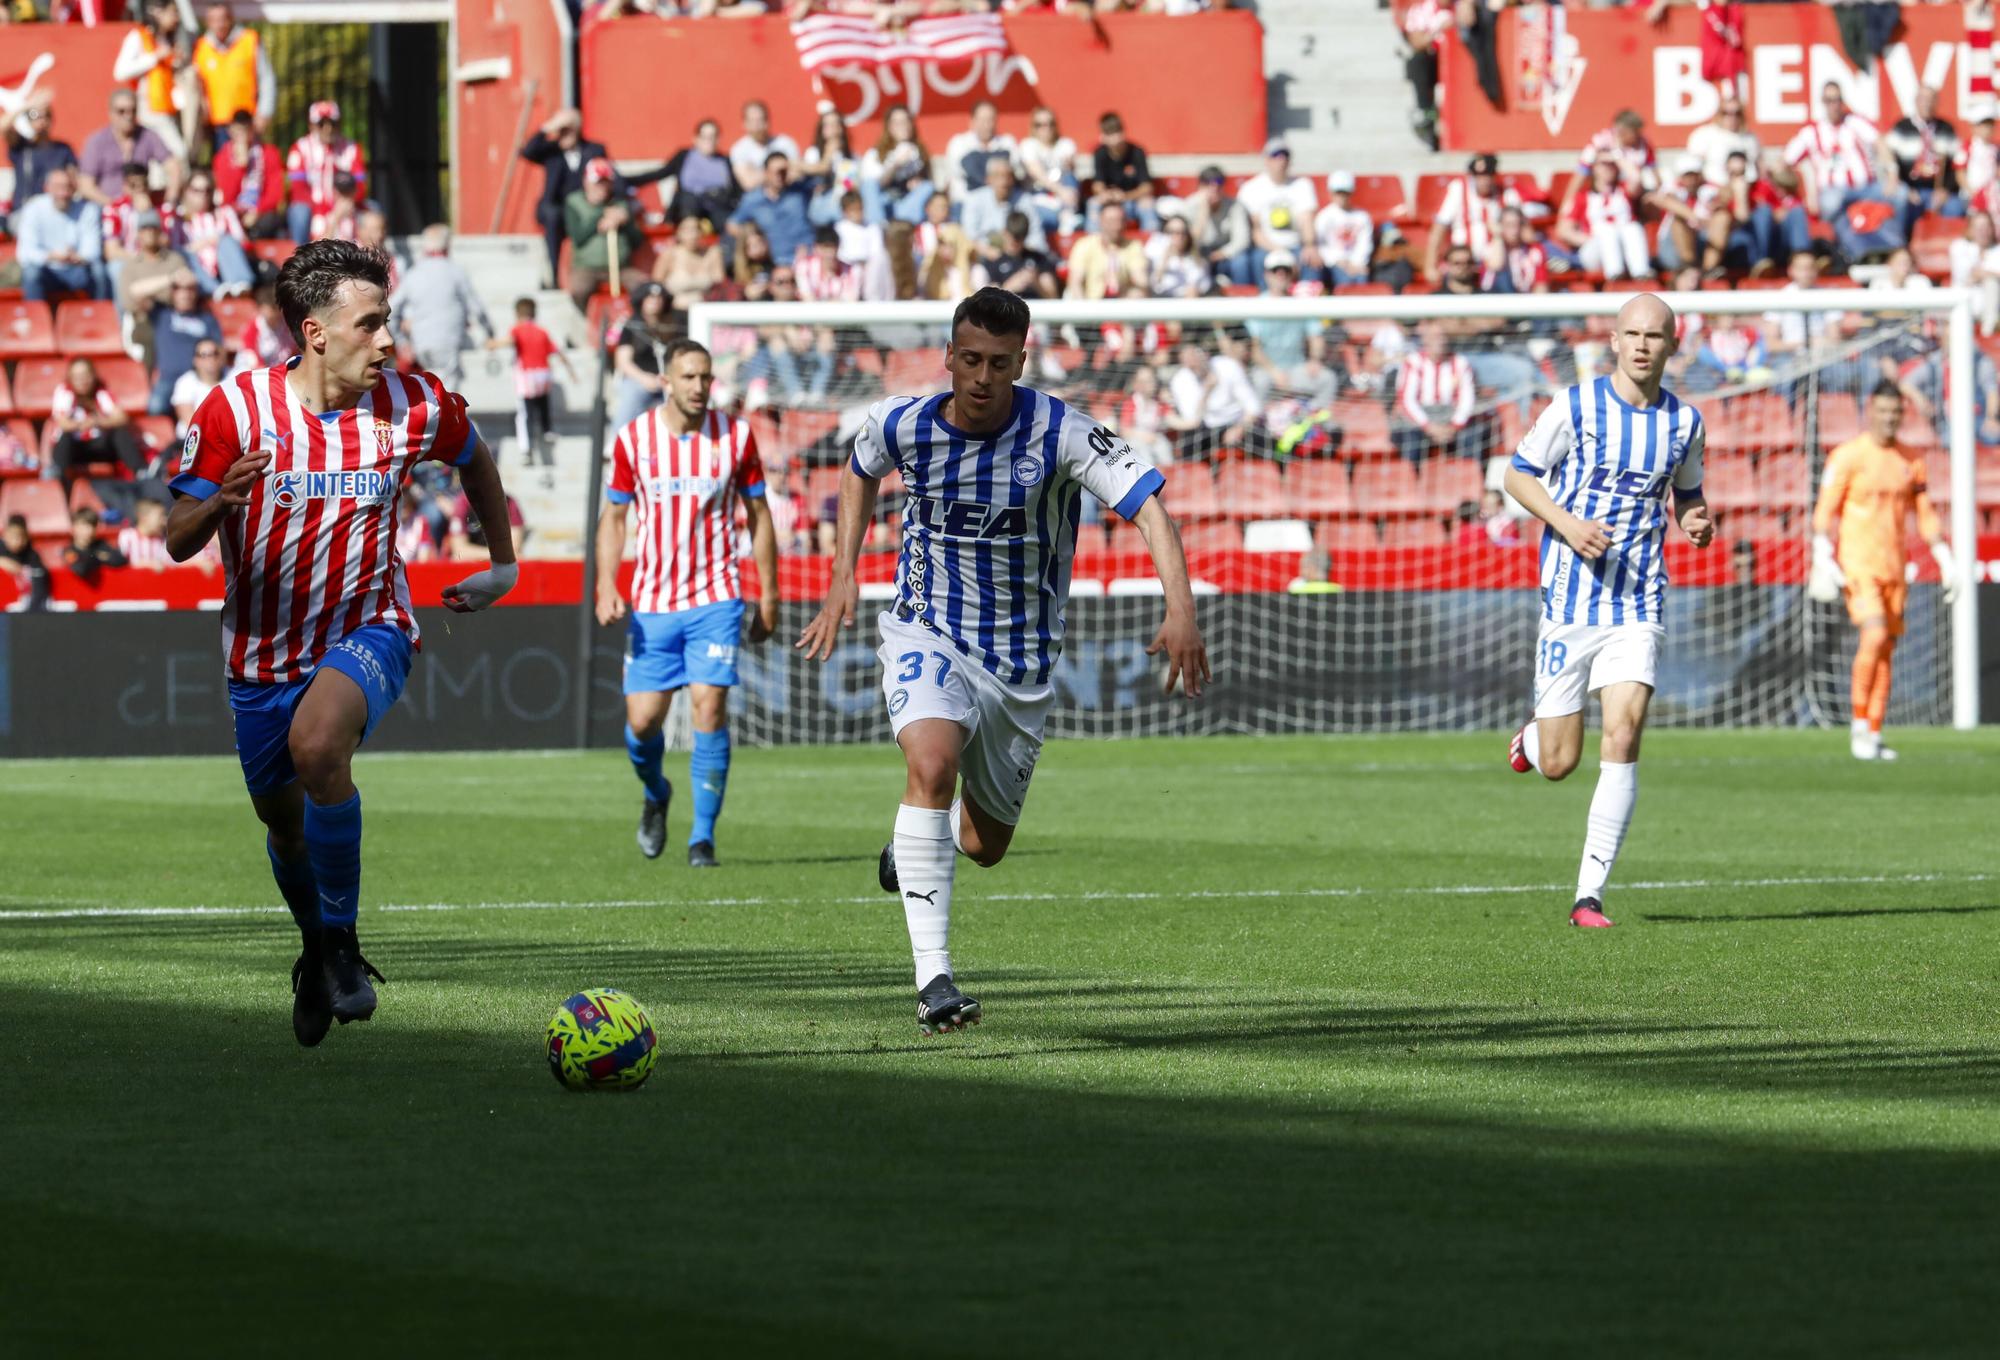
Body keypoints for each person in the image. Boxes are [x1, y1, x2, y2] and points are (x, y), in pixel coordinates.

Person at [796, 287, 1207, 1034]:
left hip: (1020, 665)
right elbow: (859, 470)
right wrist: (843, 573)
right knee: (930, 764)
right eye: (971, 360)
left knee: (984, 847)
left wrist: (1180, 607)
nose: (983, 377)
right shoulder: (902, 424)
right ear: (949, 356)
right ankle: (935, 981)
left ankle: (912, 844)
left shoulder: (1061, 432)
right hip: (926, 631)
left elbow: (1148, 505)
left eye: (1000, 363)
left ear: (1022, 361)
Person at [164, 239, 519, 1047]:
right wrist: (221, 499)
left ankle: (346, 947)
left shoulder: (412, 404)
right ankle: (316, 949)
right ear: (316, 333)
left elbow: (477, 460)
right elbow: (179, 535)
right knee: (283, 825)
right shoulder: (234, 411)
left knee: (320, 746)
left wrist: (501, 565)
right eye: (371, 324)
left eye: (388, 320)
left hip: (370, 625)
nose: (388, 339)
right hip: (260, 655)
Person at [1504, 294, 1714, 928]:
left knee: (1624, 732)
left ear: (1672, 346)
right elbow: (1517, 476)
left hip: (1639, 597)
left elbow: (1689, 495)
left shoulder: (1685, 424)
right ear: (1615, 342)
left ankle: (1587, 895)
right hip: (1570, 597)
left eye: (1656, 335)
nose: (1644, 344)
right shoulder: (1576, 405)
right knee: (1561, 762)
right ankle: (1532, 740)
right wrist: (1567, 524)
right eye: (1633, 333)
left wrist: (1696, 522)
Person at [595, 339, 778, 868]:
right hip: (653, 601)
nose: (699, 387)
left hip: (717, 595)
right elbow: (614, 518)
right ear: (667, 382)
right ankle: (656, 792)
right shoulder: (635, 439)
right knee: (643, 723)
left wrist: (769, 593)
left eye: (706, 377)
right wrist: (608, 583)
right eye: (689, 377)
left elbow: (759, 516)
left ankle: (703, 839)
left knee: (709, 706)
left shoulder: (736, 438)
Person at [1808, 381, 1958, 762]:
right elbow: (1824, 513)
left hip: (1895, 568)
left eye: (1896, 413)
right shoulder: (1847, 457)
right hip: (1859, 565)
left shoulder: (1911, 460)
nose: (1889, 419)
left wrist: (1944, 556)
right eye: (1883, 411)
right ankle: (1859, 724)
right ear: (1870, 410)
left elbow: (1924, 515)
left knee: (1887, 649)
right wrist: (1823, 555)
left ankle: (1874, 730)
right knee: (1873, 636)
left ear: (1902, 414)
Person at [388, 224, 493, 388]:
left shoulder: (414, 273)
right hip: (447, 341)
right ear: (447, 245)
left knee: (428, 388)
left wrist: (401, 343)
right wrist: (489, 331)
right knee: (447, 392)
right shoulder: (455, 271)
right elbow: (476, 307)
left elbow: (391, 309)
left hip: (420, 342)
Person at [487, 297, 575, 479]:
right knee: (542, 403)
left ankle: (525, 449)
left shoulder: (518, 329)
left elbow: (510, 340)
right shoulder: (542, 331)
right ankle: (546, 430)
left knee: (524, 412)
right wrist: (571, 371)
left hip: (527, 375)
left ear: (517, 314)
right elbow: (557, 352)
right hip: (543, 374)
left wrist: (493, 344)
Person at [520, 108, 611, 281]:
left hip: (584, 207)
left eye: (568, 130)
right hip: (557, 208)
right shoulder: (551, 151)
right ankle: (553, 275)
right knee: (552, 216)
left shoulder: (594, 150)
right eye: (561, 130)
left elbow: (609, 176)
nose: (564, 134)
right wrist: (550, 126)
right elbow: (528, 152)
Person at [114, 0, 200, 160]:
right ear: (158, 12)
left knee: (160, 162)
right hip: (150, 108)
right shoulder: (138, 36)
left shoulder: (166, 40)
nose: (176, 18)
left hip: (168, 108)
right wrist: (154, 58)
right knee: (178, 154)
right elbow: (120, 72)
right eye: (172, 12)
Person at [1392, 320, 1478, 466]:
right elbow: (1407, 401)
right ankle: (1412, 479)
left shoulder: (1460, 362)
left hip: (1448, 414)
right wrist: (1429, 426)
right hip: (1421, 416)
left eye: (1443, 336)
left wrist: (1454, 425)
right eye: (1435, 336)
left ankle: (1470, 479)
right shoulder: (1413, 362)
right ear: (1425, 338)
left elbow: (1467, 401)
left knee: (1474, 433)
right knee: (1408, 436)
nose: (1440, 341)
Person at [565, 158, 647, 309]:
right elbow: (577, 237)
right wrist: (600, 216)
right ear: (586, 181)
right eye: (597, 182)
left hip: (620, 267)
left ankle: (633, 322)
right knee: (578, 289)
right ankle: (590, 320)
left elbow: (638, 241)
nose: (602, 187)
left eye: (605, 182)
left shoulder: (621, 204)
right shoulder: (574, 202)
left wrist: (625, 223)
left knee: (644, 287)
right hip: (587, 268)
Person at [191, 1, 274, 149]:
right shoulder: (201, 47)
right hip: (216, 125)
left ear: (231, 18)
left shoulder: (249, 40)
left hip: (247, 121)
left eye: (223, 19)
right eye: (214, 20)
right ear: (208, 22)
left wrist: (265, 112)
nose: (219, 24)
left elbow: (266, 78)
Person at [1555, 154, 1651, 281]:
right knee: (1607, 230)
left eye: (1612, 164)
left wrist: (1617, 156)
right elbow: (1563, 230)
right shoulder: (1582, 197)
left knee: (1633, 227)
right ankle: (1615, 275)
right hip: (1595, 249)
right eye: (1603, 164)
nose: (1608, 168)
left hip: (1624, 245)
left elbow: (1636, 179)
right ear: (1594, 168)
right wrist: (1591, 239)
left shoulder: (1624, 191)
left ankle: (1641, 273)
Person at [1883, 83, 1960, 239]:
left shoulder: (1947, 129)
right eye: (1923, 99)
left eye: (1931, 99)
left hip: (1937, 190)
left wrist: (1946, 190)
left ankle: (1945, 251)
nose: (1927, 103)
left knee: (1956, 207)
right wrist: (1904, 188)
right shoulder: (1901, 127)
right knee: (1901, 204)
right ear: (1916, 101)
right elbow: (1886, 157)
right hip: (1911, 190)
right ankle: (1900, 249)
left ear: (1937, 102)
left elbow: (1957, 165)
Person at [17, 168, 107, 301]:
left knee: (99, 271)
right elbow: (25, 252)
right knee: (31, 273)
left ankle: (101, 317)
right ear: (47, 188)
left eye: (68, 187)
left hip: (77, 270)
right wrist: (51, 256)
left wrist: (78, 257)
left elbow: (92, 250)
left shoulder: (88, 209)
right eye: (58, 187)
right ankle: (35, 319)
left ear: (74, 189)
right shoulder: (33, 208)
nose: (63, 193)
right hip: (47, 271)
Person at [1236, 140, 1319, 283]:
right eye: (1276, 155)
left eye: (1285, 155)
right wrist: (1279, 251)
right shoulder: (1252, 188)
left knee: (1312, 260)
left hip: (1296, 245)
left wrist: (1310, 245)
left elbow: (1307, 221)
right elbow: (1256, 230)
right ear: (1266, 160)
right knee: (1257, 260)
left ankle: (1307, 300)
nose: (1281, 160)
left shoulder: (1302, 185)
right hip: (1266, 247)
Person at [51, 357, 144, 484]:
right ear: (70, 378)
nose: (82, 381)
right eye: (77, 377)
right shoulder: (64, 393)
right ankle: (58, 479)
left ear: (93, 376)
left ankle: (142, 473)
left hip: (100, 445)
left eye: (85, 375)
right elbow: (63, 423)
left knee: (120, 432)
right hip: (76, 447)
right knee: (65, 438)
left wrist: (97, 421)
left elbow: (122, 418)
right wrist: (80, 425)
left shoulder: (101, 393)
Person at [1428, 153, 1519, 282]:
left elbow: (1520, 230)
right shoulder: (1458, 189)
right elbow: (1439, 228)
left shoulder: (1507, 194)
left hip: (1496, 264)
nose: (1484, 180)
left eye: (1488, 175)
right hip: (1462, 262)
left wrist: (1501, 234)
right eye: (1479, 176)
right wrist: (1430, 265)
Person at [78, 89, 179, 206]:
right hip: (106, 210)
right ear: (110, 113)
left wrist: (170, 202)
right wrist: (115, 206)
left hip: (140, 210)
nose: (128, 116)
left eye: (133, 111)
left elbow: (173, 167)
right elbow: (86, 186)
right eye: (121, 111)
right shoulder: (97, 142)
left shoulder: (147, 136)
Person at [286, 101, 367, 245]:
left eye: (333, 123)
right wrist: (324, 211)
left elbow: (360, 186)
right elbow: (297, 191)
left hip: (346, 205)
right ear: (311, 126)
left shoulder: (352, 149)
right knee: (299, 212)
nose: (328, 129)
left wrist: (345, 203)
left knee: (374, 215)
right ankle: (299, 257)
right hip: (313, 209)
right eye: (321, 124)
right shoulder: (300, 148)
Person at [147, 270, 224, 414]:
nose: (185, 293)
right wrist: (170, 278)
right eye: (179, 288)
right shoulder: (162, 314)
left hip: (197, 379)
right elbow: (136, 293)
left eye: (190, 289)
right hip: (168, 378)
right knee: (155, 408)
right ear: (172, 292)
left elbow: (219, 348)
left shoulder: (207, 319)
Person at [172, 170, 257, 297]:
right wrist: (207, 242)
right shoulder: (178, 219)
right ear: (186, 191)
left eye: (207, 190)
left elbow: (242, 243)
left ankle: (240, 285)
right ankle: (214, 289)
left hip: (227, 269)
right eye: (197, 190)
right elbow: (175, 252)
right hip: (199, 274)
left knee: (226, 241)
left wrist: (218, 239)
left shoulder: (224, 213)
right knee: (183, 254)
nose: (203, 195)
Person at [729, 151, 815, 268]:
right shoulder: (753, 199)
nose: (780, 176)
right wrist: (752, 239)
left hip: (807, 258)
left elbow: (825, 177)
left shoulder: (800, 192)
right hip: (773, 263)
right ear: (765, 172)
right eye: (775, 172)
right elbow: (732, 225)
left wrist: (798, 167)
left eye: (783, 171)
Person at [213, 110, 287, 240]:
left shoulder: (269, 153)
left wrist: (257, 211)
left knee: (271, 222)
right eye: (238, 130)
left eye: (246, 130)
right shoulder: (222, 158)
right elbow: (226, 196)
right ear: (230, 131)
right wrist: (239, 167)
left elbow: (276, 192)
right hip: (233, 213)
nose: (242, 135)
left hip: (260, 214)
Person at [657, 117, 740, 227]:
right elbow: (659, 174)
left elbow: (737, 190)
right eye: (705, 137)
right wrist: (628, 180)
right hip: (689, 208)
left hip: (716, 206)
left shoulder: (725, 161)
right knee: (689, 202)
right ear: (695, 139)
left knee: (728, 222)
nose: (709, 141)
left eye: (713, 137)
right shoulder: (685, 156)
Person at [859, 104, 933, 226]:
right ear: (889, 127)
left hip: (906, 204)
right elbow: (873, 187)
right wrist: (895, 165)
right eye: (897, 123)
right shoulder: (875, 154)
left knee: (927, 186)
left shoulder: (920, 153)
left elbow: (926, 183)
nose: (903, 126)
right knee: (869, 183)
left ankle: (901, 227)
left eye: (906, 121)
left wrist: (916, 182)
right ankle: (877, 228)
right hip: (883, 203)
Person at [960, 156, 1047, 260]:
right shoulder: (974, 200)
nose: (1004, 182)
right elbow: (969, 237)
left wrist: (1017, 248)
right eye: (998, 176)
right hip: (986, 258)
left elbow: (1037, 238)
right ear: (988, 179)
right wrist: (992, 252)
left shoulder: (1025, 200)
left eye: (1008, 176)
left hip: (1020, 258)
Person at [6, 101, 82, 219]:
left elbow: (75, 179)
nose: (41, 121)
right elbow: (3, 126)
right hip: (24, 213)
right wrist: (27, 107)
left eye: (46, 116)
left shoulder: (62, 149)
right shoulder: (21, 147)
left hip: (56, 211)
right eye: (35, 116)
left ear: (51, 120)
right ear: (29, 121)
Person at [1184, 165, 1253, 286]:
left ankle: (1242, 296)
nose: (1214, 188)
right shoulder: (1190, 205)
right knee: (1190, 262)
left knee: (1241, 261)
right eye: (1208, 183)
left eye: (1218, 183)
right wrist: (1203, 213)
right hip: (1199, 252)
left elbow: (1242, 240)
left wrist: (1222, 253)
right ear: (1200, 187)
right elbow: (1189, 242)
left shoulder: (1235, 206)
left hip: (1226, 253)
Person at [1063, 200, 1147, 299]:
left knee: (1138, 294)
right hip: (1090, 303)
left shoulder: (1133, 246)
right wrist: (1084, 310)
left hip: (1122, 304)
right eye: (1111, 220)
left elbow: (1141, 280)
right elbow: (1075, 282)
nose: (1117, 226)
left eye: (1120, 220)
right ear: (1101, 221)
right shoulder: (1084, 245)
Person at [1017, 106, 1080, 233]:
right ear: (1033, 127)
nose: (1047, 128)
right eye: (1040, 125)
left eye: (1050, 124)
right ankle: (1064, 219)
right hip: (1038, 197)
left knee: (1069, 177)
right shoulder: (1028, 145)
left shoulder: (1066, 144)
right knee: (1037, 216)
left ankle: (1067, 217)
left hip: (1064, 200)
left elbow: (1069, 172)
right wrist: (1060, 190)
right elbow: (1036, 173)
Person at [1401, 0, 1452, 152]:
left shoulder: (1462, 6)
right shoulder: (1421, 10)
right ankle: (1427, 113)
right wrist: (1438, 30)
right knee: (1417, 61)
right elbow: (1416, 42)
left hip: (1461, 61)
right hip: (1434, 59)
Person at [1090, 111, 1155, 228]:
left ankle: (1151, 243)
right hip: (1110, 202)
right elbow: (1097, 185)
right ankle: (1093, 242)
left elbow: (1146, 187)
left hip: (1133, 201)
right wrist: (1106, 194)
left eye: (1117, 132)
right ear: (1103, 137)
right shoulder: (1100, 153)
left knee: (1147, 204)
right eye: (1110, 133)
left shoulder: (1137, 152)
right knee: (1093, 203)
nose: (1115, 138)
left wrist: (1125, 196)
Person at [942, 100, 1016, 201]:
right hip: (966, 201)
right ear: (972, 121)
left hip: (1002, 202)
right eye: (982, 119)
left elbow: (1012, 171)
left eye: (990, 119)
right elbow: (965, 172)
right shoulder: (959, 142)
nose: (986, 124)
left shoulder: (1007, 142)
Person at [1686, 91, 1761, 189]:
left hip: (1747, 187)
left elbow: (1757, 168)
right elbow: (1693, 167)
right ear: (1719, 114)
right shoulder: (1704, 134)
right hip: (1714, 188)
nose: (1732, 117)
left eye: (1737, 113)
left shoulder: (1750, 138)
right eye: (1726, 113)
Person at [653, 213, 726, 311]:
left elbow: (720, 284)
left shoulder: (713, 253)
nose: (693, 235)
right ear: (678, 233)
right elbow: (656, 286)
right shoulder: (669, 255)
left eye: (696, 229)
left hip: (707, 311)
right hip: (676, 312)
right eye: (687, 230)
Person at [1313, 171, 1373, 288]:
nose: (1342, 196)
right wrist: (1340, 261)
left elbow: (1365, 244)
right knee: (1345, 280)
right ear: (1331, 193)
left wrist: (1357, 263)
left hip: (1356, 263)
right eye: (1338, 192)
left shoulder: (1362, 216)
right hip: (1334, 264)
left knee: (1361, 278)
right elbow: (1321, 245)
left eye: (1345, 192)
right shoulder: (1324, 216)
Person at [729, 99, 800, 194]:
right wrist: (780, 171)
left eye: (760, 120)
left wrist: (759, 174)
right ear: (744, 124)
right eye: (752, 121)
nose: (756, 125)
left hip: (788, 192)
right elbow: (748, 183)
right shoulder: (739, 149)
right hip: (758, 197)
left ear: (767, 121)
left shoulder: (785, 143)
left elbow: (797, 174)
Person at [171, 338, 228, 437]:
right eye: (204, 355)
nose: (211, 359)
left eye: (215, 353)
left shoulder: (235, 377)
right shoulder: (185, 382)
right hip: (193, 442)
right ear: (195, 360)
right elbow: (191, 422)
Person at [0, 515, 52, 612]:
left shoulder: (32, 555)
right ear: (5, 535)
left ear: (26, 537)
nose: (17, 542)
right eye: (13, 536)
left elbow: (39, 587)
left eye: (21, 537)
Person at [62, 507, 127, 584]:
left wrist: (95, 557)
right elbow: (81, 569)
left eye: (92, 526)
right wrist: (98, 557)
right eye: (84, 526)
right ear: (74, 528)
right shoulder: (69, 550)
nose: (88, 531)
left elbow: (120, 560)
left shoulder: (100, 544)